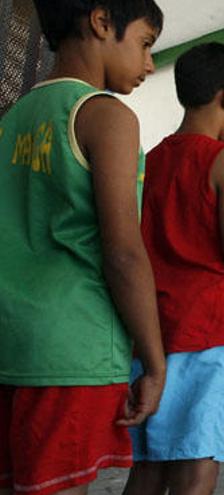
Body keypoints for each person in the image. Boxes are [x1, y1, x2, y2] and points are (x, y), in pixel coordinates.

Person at [0, 1, 166, 494]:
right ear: (100, 22)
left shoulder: (10, 122)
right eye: (144, 43)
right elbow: (123, 253)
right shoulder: (106, 116)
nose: (150, 64)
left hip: (10, 343)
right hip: (70, 350)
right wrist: (154, 361)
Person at [123, 43, 224, 495]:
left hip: (154, 332)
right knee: (199, 461)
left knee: (149, 464)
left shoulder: (151, 160)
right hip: (212, 334)